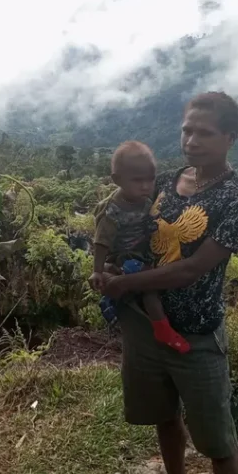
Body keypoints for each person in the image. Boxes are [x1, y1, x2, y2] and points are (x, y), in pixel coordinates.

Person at [95, 92, 238, 474]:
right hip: (144, 328)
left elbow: (191, 269)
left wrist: (127, 284)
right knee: (165, 417)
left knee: (219, 440)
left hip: (196, 334)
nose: (191, 140)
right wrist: (107, 267)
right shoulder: (164, 183)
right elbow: (124, 225)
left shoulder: (237, 200)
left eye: (204, 133)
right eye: (187, 129)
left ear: (231, 137)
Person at [90, 141, 189, 353]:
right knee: (150, 287)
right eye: (137, 180)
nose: (145, 186)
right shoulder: (113, 209)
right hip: (124, 257)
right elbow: (101, 241)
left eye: (150, 179)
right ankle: (162, 328)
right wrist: (97, 270)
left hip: (142, 252)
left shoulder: (145, 199)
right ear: (117, 180)